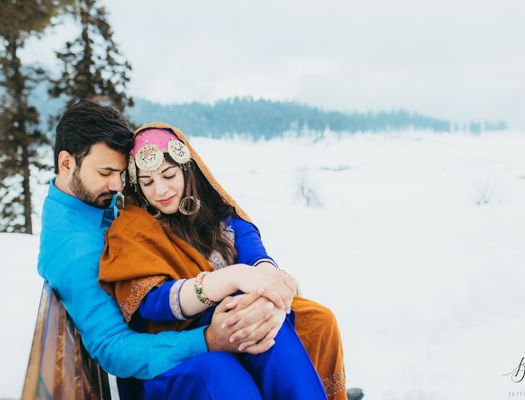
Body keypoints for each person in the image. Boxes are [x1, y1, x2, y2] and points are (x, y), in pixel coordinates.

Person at [37, 100, 295, 390]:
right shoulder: (74, 248)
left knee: (277, 324)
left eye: (119, 174)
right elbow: (113, 347)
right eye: (105, 173)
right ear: (66, 163)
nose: (118, 186)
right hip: (154, 373)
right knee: (233, 358)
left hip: (180, 327)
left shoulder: (89, 202)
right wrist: (208, 338)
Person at [99, 122, 347, 399]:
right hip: (181, 343)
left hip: (235, 317)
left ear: (187, 169)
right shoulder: (132, 229)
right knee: (257, 331)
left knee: (300, 322)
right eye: (147, 182)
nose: (160, 190)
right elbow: (150, 303)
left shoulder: (214, 213)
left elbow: (253, 250)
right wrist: (227, 281)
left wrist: (268, 291)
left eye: (168, 175)